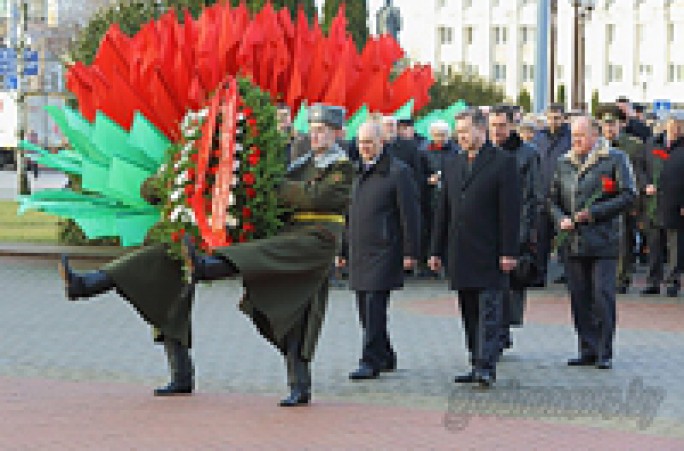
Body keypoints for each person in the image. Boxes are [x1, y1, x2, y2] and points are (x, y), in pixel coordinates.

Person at [182, 104, 353, 406]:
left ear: (336, 133)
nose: (316, 136)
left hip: (317, 242)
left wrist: (287, 190)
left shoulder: (342, 166)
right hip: (294, 238)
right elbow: (292, 193)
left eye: (323, 130)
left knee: (265, 255)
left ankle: (208, 267)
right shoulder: (301, 165)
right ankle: (299, 385)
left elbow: (319, 196)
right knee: (292, 315)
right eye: (313, 130)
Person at [428, 109, 521, 388]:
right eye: (459, 133)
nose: (462, 137)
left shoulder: (503, 162)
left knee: (489, 311)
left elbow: (510, 211)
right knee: (468, 309)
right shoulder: (453, 163)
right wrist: (435, 250)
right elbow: (443, 210)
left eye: (466, 132)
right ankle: (474, 359)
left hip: (490, 250)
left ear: (481, 130)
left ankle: (486, 365)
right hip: (460, 250)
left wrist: (509, 251)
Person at [548, 115, 636, 370]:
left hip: (603, 240)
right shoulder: (564, 162)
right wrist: (560, 218)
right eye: (573, 136)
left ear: (595, 137)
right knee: (579, 296)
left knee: (602, 295)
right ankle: (587, 347)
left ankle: (604, 351)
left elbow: (629, 194)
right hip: (573, 241)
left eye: (581, 136)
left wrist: (595, 213)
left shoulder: (615, 158)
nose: (575, 140)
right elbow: (551, 198)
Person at [336, 122, 420, 380]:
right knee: (364, 307)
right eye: (361, 143)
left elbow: (410, 214)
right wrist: (343, 249)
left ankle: (369, 360)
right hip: (360, 250)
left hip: (385, 250)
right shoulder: (356, 172)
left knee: (374, 306)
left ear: (381, 142)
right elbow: (348, 214)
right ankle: (384, 354)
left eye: (370, 143)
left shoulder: (397, 172)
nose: (365, 148)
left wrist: (411, 251)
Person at [488, 105, 541, 354]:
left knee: (509, 284)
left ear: (512, 126)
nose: (497, 131)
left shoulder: (527, 154)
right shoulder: (484, 152)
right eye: (493, 125)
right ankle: (495, 331)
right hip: (487, 228)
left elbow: (534, 196)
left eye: (502, 125)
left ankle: (502, 331)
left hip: (516, 226)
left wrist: (523, 232)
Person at [598, 109, 646, 294]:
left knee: (625, 241)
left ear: (621, 125)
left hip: (624, 200)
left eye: (613, 124)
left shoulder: (633, 146)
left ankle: (622, 278)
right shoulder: (596, 145)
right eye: (606, 124)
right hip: (602, 201)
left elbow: (639, 175)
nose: (609, 128)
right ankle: (607, 278)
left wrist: (636, 205)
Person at [642, 112, 684, 297]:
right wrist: (645, 185)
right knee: (654, 243)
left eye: (681, 125)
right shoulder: (652, 144)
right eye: (674, 124)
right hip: (653, 202)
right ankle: (653, 281)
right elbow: (640, 168)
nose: (677, 129)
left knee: (676, 245)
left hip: (676, 202)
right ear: (666, 125)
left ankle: (673, 281)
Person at [533, 103, 572, 286]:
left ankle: (568, 273)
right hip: (543, 193)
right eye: (550, 118)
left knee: (564, 236)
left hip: (563, 194)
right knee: (541, 237)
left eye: (557, 118)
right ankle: (539, 274)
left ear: (564, 118)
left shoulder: (570, 138)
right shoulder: (539, 138)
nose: (553, 122)